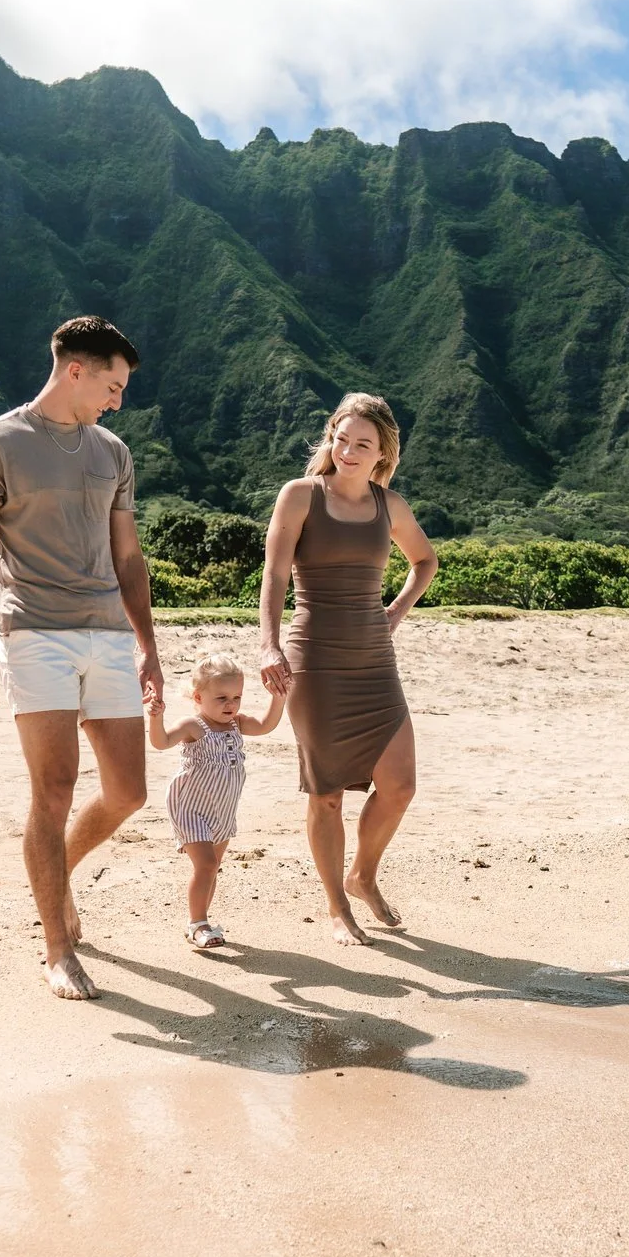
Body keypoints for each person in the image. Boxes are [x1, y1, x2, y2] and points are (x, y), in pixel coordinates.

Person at [0, 316, 162, 1000]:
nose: (117, 400)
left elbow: (129, 558)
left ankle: (55, 874)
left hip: (107, 635)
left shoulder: (113, 453)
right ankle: (58, 949)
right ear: (76, 370)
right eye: (112, 384)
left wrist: (149, 647)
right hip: (33, 631)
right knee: (56, 790)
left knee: (129, 791)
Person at [256, 393, 439, 946]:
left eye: (363, 444)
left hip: (373, 660)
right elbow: (274, 575)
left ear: (383, 452)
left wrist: (395, 612)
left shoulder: (390, 505)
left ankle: (362, 875)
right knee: (326, 792)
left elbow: (424, 560)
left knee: (400, 784)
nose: (349, 451)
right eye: (342, 438)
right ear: (330, 437)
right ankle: (336, 905)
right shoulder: (299, 496)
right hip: (314, 656)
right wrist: (269, 645)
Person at [146, 655, 286, 949]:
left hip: (222, 808)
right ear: (198, 697)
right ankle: (198, 924)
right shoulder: (194, 726)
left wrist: (278, 699)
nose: (230, 704)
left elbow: (265, 725)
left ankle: (200, 920)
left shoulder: (237, 724)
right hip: (191, 806)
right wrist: (155, 717)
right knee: (207, 864)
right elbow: (160, 742)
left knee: (212, 867)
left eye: (236, 697)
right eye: (221, 698)